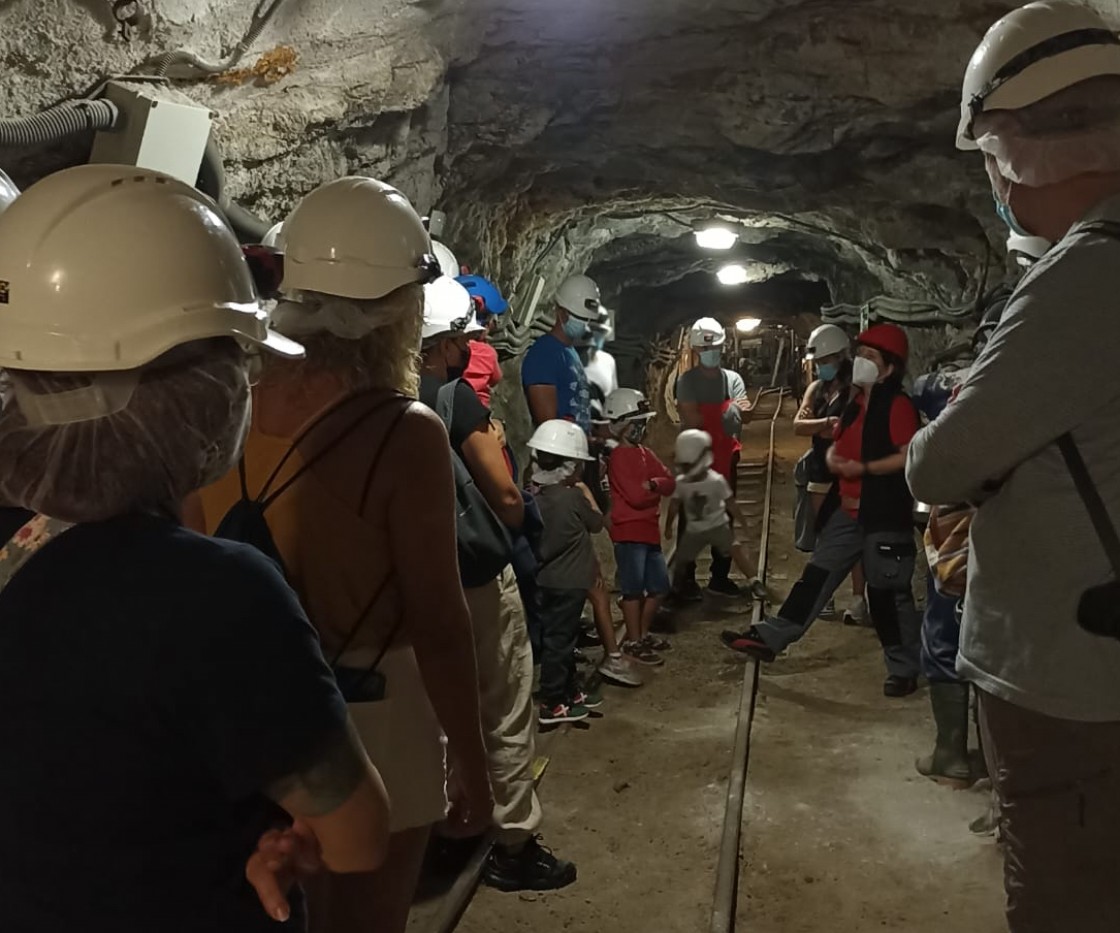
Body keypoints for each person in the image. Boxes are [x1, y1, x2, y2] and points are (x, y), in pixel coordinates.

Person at [0, 164, 390, 932]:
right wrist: (277, 836)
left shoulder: (21, 564)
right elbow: (356, 835)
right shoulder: (218, 595)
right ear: (197, 393)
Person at [193, 176, 492, 933]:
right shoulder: (407, 433)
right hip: (376, 715)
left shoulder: (226, 393)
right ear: (402, 306)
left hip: (247, 701)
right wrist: (472, 758)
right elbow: (438, 619)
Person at [908, 5, 1120, 927]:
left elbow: (941, 462)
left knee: (1063, 890)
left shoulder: (1088, 276)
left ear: (1025, 152)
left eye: (993, 159)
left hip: (1072, 666)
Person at [417, 276, 575, 893]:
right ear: (447, 341)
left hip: (409, 581)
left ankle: (441, 829)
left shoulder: (370, 398)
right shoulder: (454, 399)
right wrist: (511, 524)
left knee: (431, 712)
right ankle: (512, 843)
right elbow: (506, 495)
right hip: (474, 576)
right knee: (502, 703)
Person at [726, 324, 922, 698]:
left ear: (890, 367)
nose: (861, 362)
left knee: (887, 596)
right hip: (847, 514)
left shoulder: (897, 407)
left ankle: (903, 668)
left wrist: (863, 472)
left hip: (883, 518)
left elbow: (907, 459)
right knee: (815, 579)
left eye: (870, 357)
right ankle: (770, 638)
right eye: (860, 354)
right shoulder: (857, 403)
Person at [528, 420, 605, 725]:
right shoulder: (573, 498)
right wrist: (589, 491)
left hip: (545, 581)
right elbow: (597, 523)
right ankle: (552, 701)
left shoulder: (534, 498)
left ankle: (569, 692)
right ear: (571, 465)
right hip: (570, 582)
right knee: (561, 642)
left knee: (559, 638)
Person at [673, 316, 754, 598]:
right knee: (691, 516)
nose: (711, 353)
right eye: (706, 349)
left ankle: (720, 576)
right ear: (696, 350)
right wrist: (728, 413)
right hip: (694, 461)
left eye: (715, 347)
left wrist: (734, 412)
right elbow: (691, 417)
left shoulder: (733, 379)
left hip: (726, 457)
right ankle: (685, 579)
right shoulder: (687, 381)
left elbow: (746, 413)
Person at [793, 324, 867, 625]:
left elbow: (844, 428)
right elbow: (799, 426)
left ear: (840, 357)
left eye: (826, 361)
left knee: (852, 538)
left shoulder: (855, 389)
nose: (822, 366)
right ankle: (825, 596)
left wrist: (824, 425)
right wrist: (825, 422)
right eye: (819, 362)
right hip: (821, 472)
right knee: (825, 534)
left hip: (847, 471)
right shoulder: (817, 389)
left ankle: (859, 598)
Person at [604, 388, 675, 670]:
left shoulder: (645, 453)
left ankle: (641, 634)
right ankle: (634, 640)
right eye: (637, 423)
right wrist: (654, 490)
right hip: (629, 533)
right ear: (623, 424)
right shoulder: (620, 457)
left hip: (647, 530)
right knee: (633, 591)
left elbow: (670, 481)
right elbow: (635, 496)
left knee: (658, 587)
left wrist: (655, 486)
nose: (642, 428)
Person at [666, 430, 767, 602]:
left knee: (733, 550)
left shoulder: (709, 481)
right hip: (703, 528)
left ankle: (754, 581)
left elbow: (730, 503)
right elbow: (675, 505)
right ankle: (676, 588)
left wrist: (668, 525)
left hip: (711, 526)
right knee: (684, 558)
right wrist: (668, 525)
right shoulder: (701, 481)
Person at [521, 273, 599, 434]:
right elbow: (548, 427)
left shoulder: (571, 353)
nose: (585, 324)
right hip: (561, 453)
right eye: (580, 318)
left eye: (588, 319)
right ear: (562, 313)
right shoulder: (543, 354)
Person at [457, 273, 508, 408]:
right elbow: (497, 377)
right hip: (477, 415)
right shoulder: (487, 353)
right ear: (484, 324)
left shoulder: (445, 348)